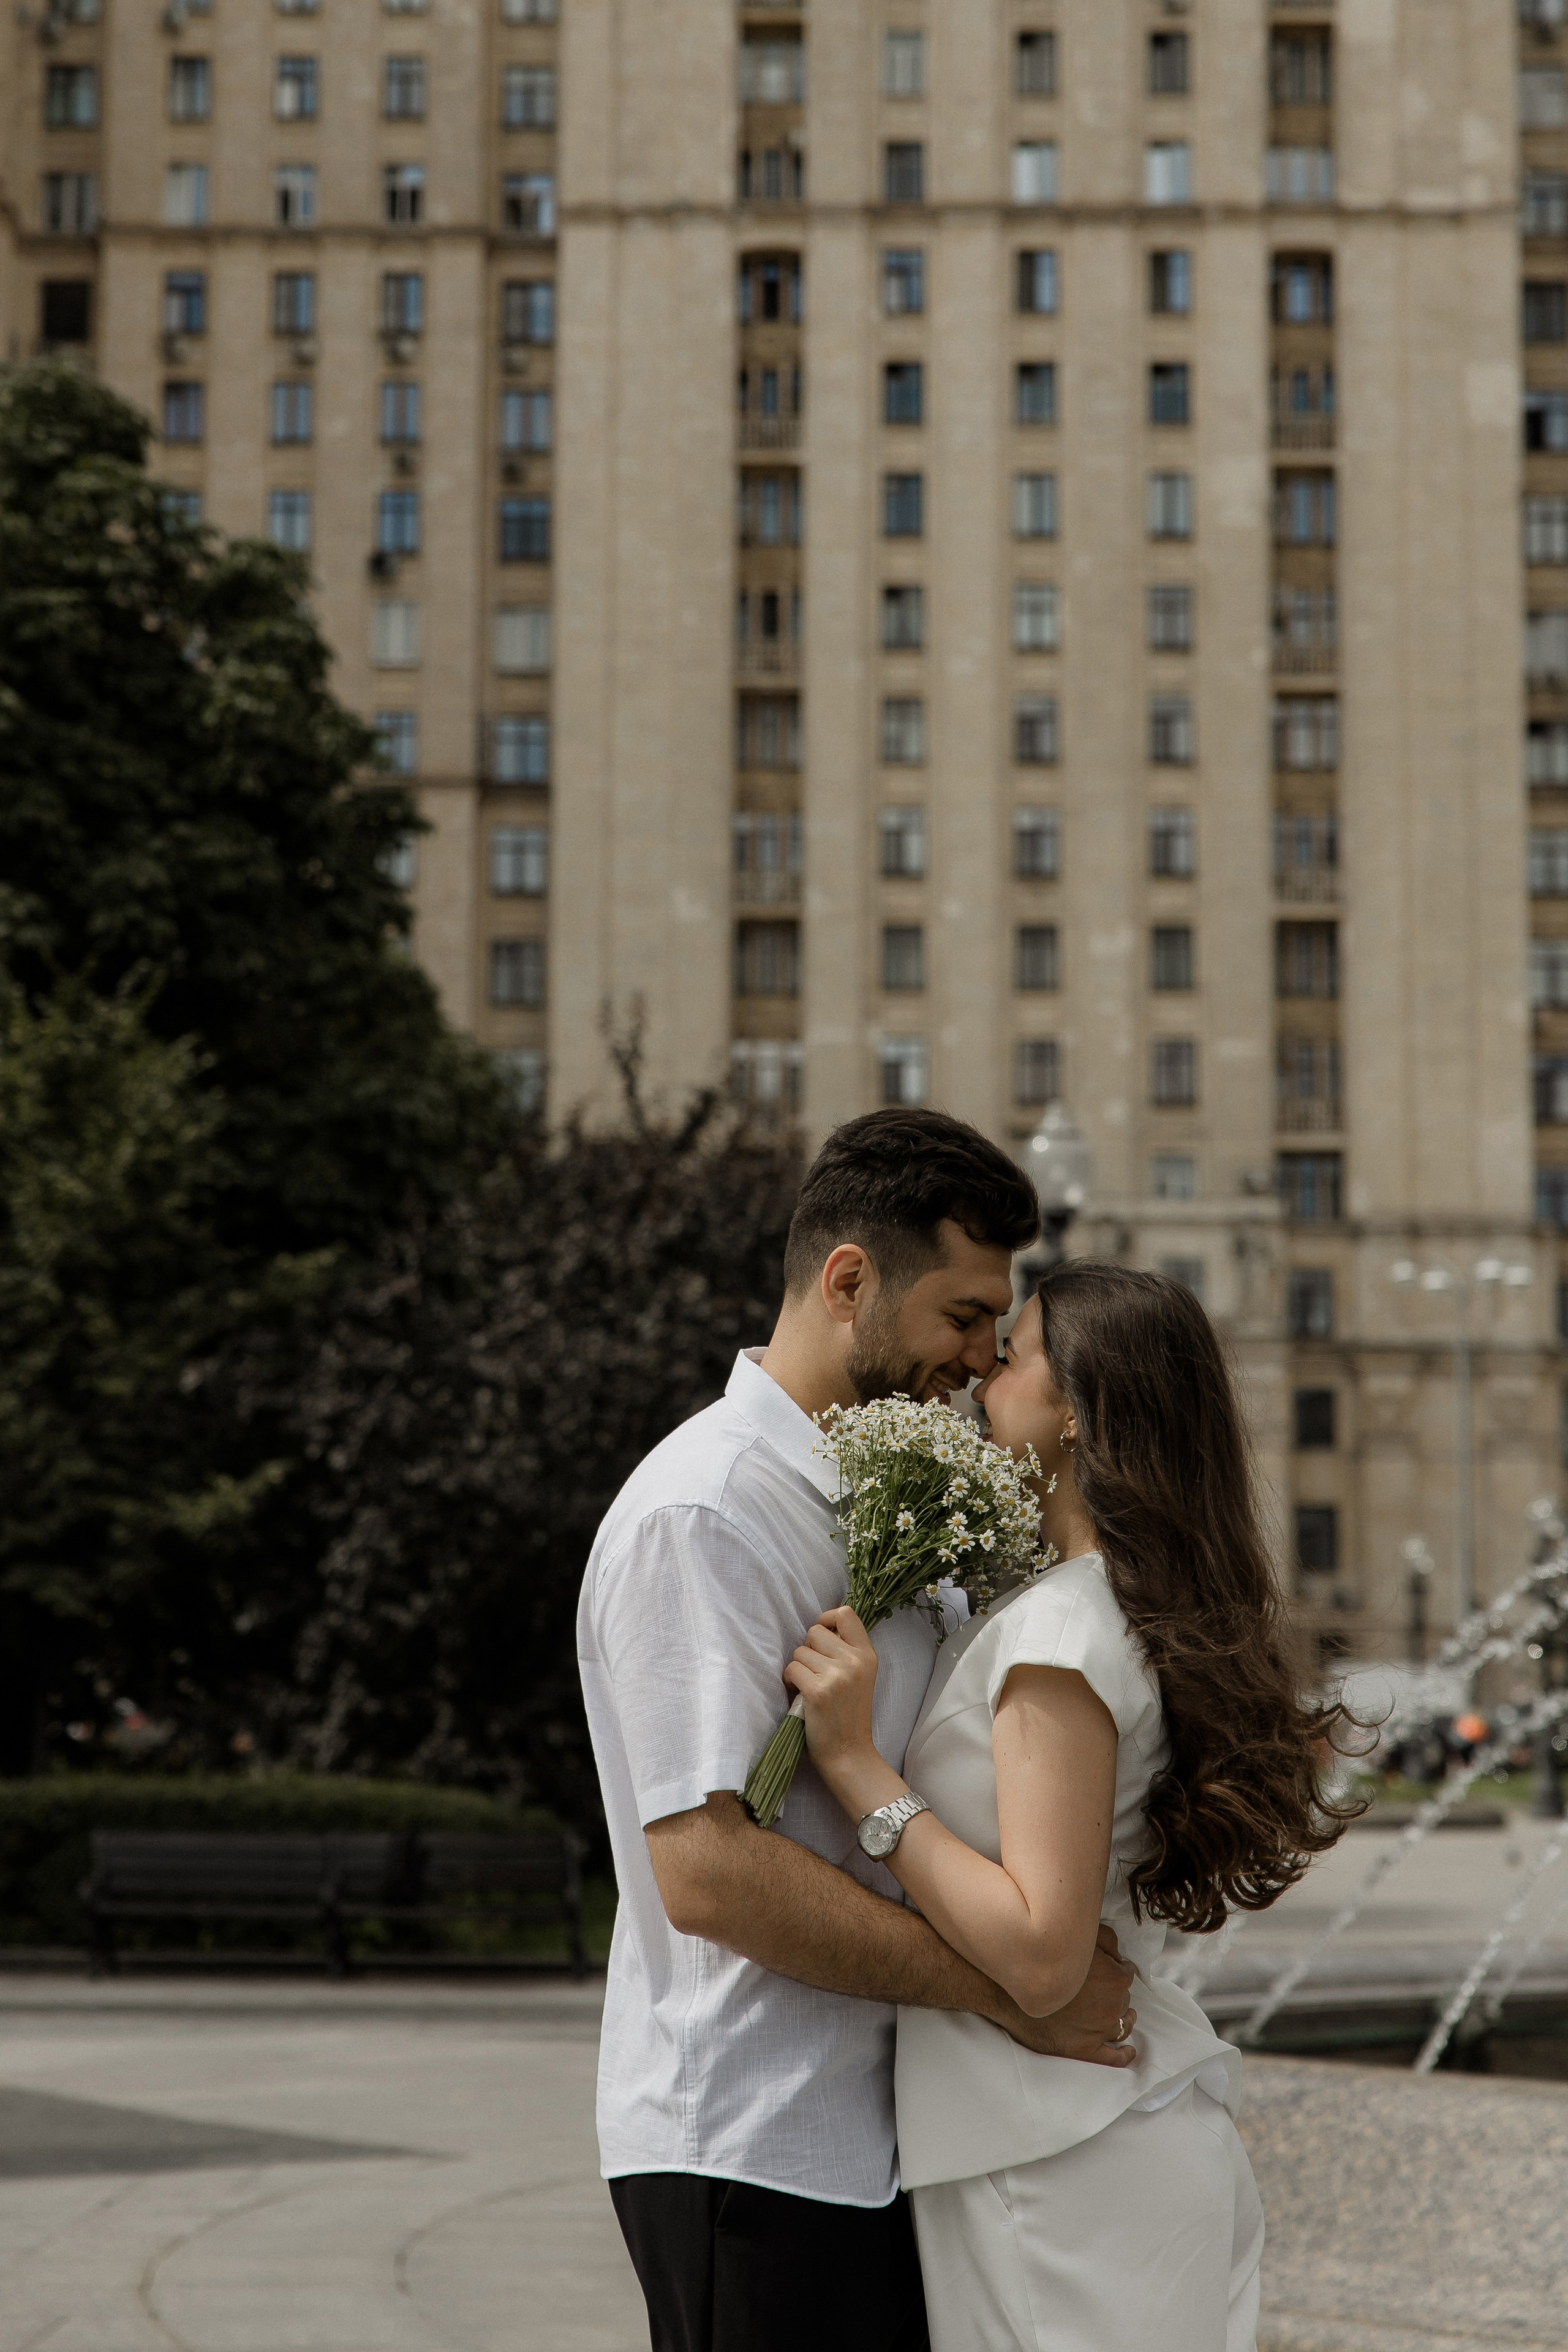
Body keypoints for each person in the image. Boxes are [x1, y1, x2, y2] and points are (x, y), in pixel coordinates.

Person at [578, 1113, 1138, 2352]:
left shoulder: (879, 1489)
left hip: (875, 2138)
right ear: (847, 1283)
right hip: (756, 2142)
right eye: (963, 1316)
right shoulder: (707, 1512)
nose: (983, 1359)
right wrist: (1008, 1995)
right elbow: (708, 1872)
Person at [788, 1261, 1362, 2352]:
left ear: (1079, 1414)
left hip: (1058, 2169)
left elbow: (1045, 1957)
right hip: (1074, 2146)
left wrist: (858, 1769)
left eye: (1014, 1358)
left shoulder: (1059, 1633)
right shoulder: (1100, 1608)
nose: (981, 1377)